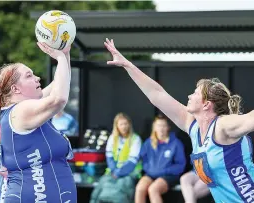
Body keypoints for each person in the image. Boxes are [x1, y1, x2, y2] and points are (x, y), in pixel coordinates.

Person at [104, 38, 254, 203]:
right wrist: (128, 65)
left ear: (206, 104)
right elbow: (157, 95)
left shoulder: (222, 125)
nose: (189, 96)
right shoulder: (194, 127)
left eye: (195, 93)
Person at [0, 42, 77, 203]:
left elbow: (61, 83)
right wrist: (60, 58)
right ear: (15, 89)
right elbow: (59, 99)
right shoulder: (20, 112)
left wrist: (65, 54)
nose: (37, 78)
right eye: (29, 76)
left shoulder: (22, 112)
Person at [90, 112, 142, 203]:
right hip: (112, 172)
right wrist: (114, 171)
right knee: (101, 185)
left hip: (129, 173)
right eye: (121, 124)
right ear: (117, 126)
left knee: (121, 188)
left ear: (129, 124)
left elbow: (132, 161)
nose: (124, 126)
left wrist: (118, 173)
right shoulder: (112, 138)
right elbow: (109, 157)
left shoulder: (135, 139)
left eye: (126, 124)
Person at [135, 115, 186, 203]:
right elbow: (143, 161)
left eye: (163, 126)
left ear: (168, 127)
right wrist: (151, 170)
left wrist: (163, 171)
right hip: (151, 174)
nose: (161, 129)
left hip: (168, 175)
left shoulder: (176, 143)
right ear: (154, 127)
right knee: (140, 188)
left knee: (153, 189)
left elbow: (180, 165)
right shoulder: (149, 142)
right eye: (158, 125)